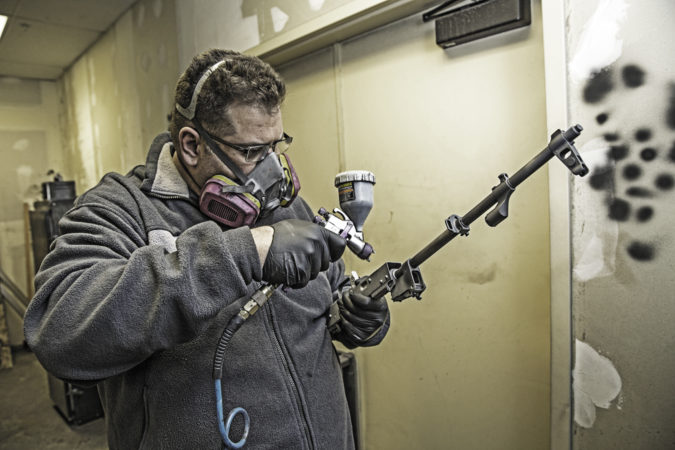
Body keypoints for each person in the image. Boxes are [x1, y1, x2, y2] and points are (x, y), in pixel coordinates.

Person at [23, 48, 390, 449]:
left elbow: (325, 299)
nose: (273, 171)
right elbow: (59, 334)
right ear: (192, 145)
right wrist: (246, 252)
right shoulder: (119, 209)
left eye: (276, 146)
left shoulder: (284, 206)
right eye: (251, 152)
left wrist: (353, 316)